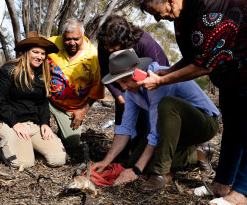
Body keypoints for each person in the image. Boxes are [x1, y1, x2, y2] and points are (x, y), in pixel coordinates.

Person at [134, 0, 247, 205]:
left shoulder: (210, 6)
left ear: (170, 0)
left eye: (156, 12)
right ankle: (222, 184)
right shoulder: (184, 11)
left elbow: (204, 64)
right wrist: (167, 71)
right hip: (232, 76)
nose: (157, 18)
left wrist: (161, 80)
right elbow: (195, 55)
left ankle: (241, 193)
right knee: (232, 129)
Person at [91, 48, 219, 192]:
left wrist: (137, 171)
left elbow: (156, 132)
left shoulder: (158, 79)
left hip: (202, 124)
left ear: (137, 73)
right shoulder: (131, 92)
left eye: (125, 81)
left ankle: (163, 172)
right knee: (130, 163)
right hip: (172, 129)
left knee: (167, 105)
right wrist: (106, 161)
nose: (123, 87)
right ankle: (198, 153)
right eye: (119, 83)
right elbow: (125, 128)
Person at [97, 14, 169, 165]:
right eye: (107, 49)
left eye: (114, 49)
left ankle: (141, 155)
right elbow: (105, 73)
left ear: (125, 42)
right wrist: (119, 96)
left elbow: (152, 73)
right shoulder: (105, 45)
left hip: (151, 79)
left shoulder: (144, 42)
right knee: (123, 113)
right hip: (122, 78)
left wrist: (136, 90)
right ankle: (121, 156)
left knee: (146, 116)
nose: (110, 51)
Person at [0, 31, 66, 168]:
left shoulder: (42, 73)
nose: (39, 57)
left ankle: (27, 145)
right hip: (9, 123)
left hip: (32, 124)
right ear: (27, 51)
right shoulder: (9, 70)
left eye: (43, 54)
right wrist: (15, 123)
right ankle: (5, 143)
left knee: (58, 159)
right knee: (23, 163)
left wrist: (45, 123)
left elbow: (43, 102)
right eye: (35, 52)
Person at [48, 18, 105, 153]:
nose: (71, 43)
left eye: (76, 39)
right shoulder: (51, 44)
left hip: (72, 108)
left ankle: (58, 138)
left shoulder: (94, 56)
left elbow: (97, 89)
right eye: (67, 39)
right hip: (47, 100)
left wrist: (82, 111)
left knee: (72, 144)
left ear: (83, 34)